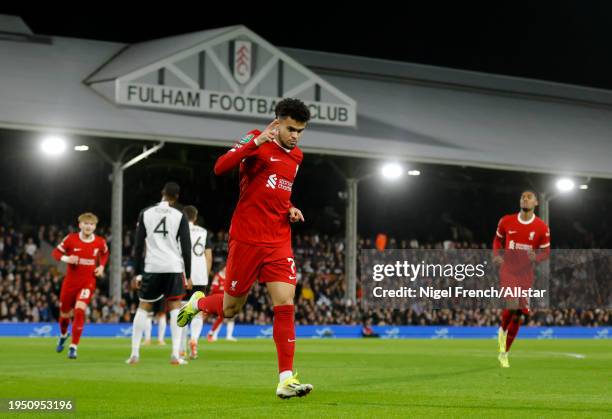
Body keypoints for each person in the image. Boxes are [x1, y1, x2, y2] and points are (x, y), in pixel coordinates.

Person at [178, 98, 313, 398]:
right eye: (290, 129)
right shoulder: (255, 139)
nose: (295, 136)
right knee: (230, 309)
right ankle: (197, 304)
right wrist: (254, 144)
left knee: (286, 304)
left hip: (278, 240)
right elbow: (220, 167)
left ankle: (285, 379)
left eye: (300, 131)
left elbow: (277, 189)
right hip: (247, 238)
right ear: (277, 123)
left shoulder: (297, 156)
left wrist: (290, 207)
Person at [126, 182, 192, 365]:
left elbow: (138, 246)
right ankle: (175, 354)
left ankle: (134, 354)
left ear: (162, 193)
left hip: (152, 266)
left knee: (143, 307)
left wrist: (137, 273)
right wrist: (189, 273)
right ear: (177, 196)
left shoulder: (145, 213)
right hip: (172, 266)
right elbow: (186, 248)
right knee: (175, 308)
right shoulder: (180, 215)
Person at [493, 190, 550, 368]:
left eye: (529, 197)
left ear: (536, 203)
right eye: (523, 197)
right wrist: (496, 255)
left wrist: (537, 258)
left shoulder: (541, 227)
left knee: (518, 316)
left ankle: (504, 353)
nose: (525, 199)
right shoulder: (506, 221)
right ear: (520, 201)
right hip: (508, 270)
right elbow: (497, 240)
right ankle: (502, 331)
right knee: (512, 304)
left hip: (526, 275)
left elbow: (546, 252)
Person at [52, 212, 109, 359]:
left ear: (95, 226)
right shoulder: (71, 239)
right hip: (70, 284)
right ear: (80, 225)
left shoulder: (99, 242)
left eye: (91, 224)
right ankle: (64, 335)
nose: (88, 226)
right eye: (86, 223)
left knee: (79, 310)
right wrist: (67, 258)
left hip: (87, 283)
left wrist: (101, 266)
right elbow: (56, 253)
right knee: (64, 314)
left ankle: (73, 346)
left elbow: (105, 254)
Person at [179, 205, 213, 359]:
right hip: (201, 276)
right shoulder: (204, 232)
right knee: (197, 311)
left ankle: (181, 349)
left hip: (183, 275)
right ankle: (194, 340)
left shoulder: (179, 231)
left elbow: (177, 255)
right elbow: (209, 256)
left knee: (182, 310)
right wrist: (205, 275)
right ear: (195, 216)